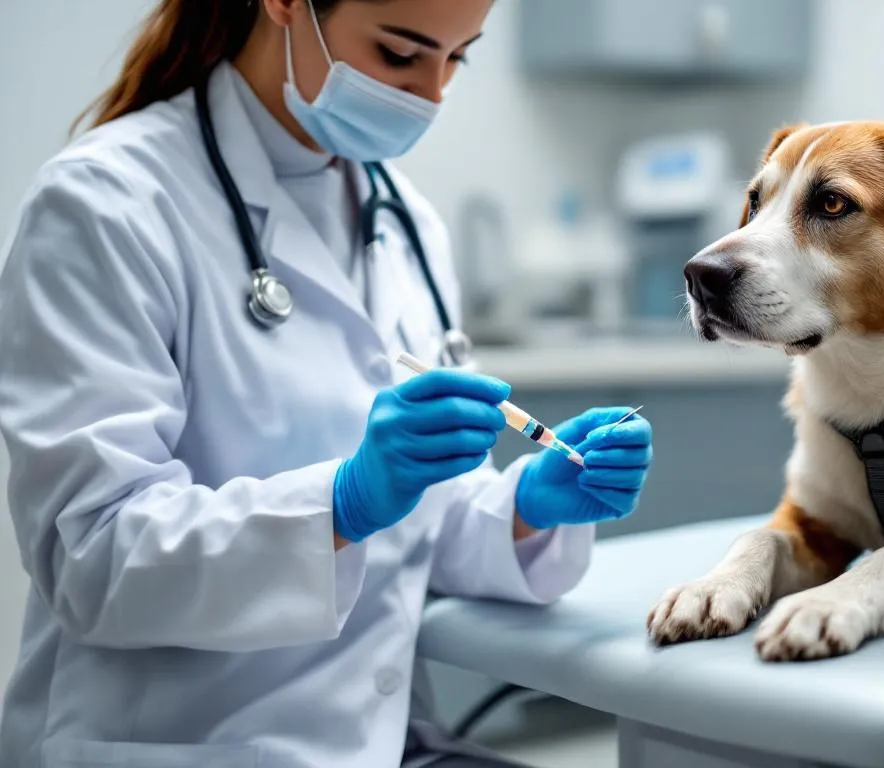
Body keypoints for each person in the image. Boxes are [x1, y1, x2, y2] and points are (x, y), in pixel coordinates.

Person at [0, 0, 654, 765]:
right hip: (180, 742)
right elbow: (93, 558)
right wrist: (340, 504)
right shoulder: (106, 205)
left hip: (376, 742)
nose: (432, 95)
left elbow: (422, 525)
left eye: (458, 58)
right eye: (401, 53)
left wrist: (523, 509)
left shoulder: (404, 220)